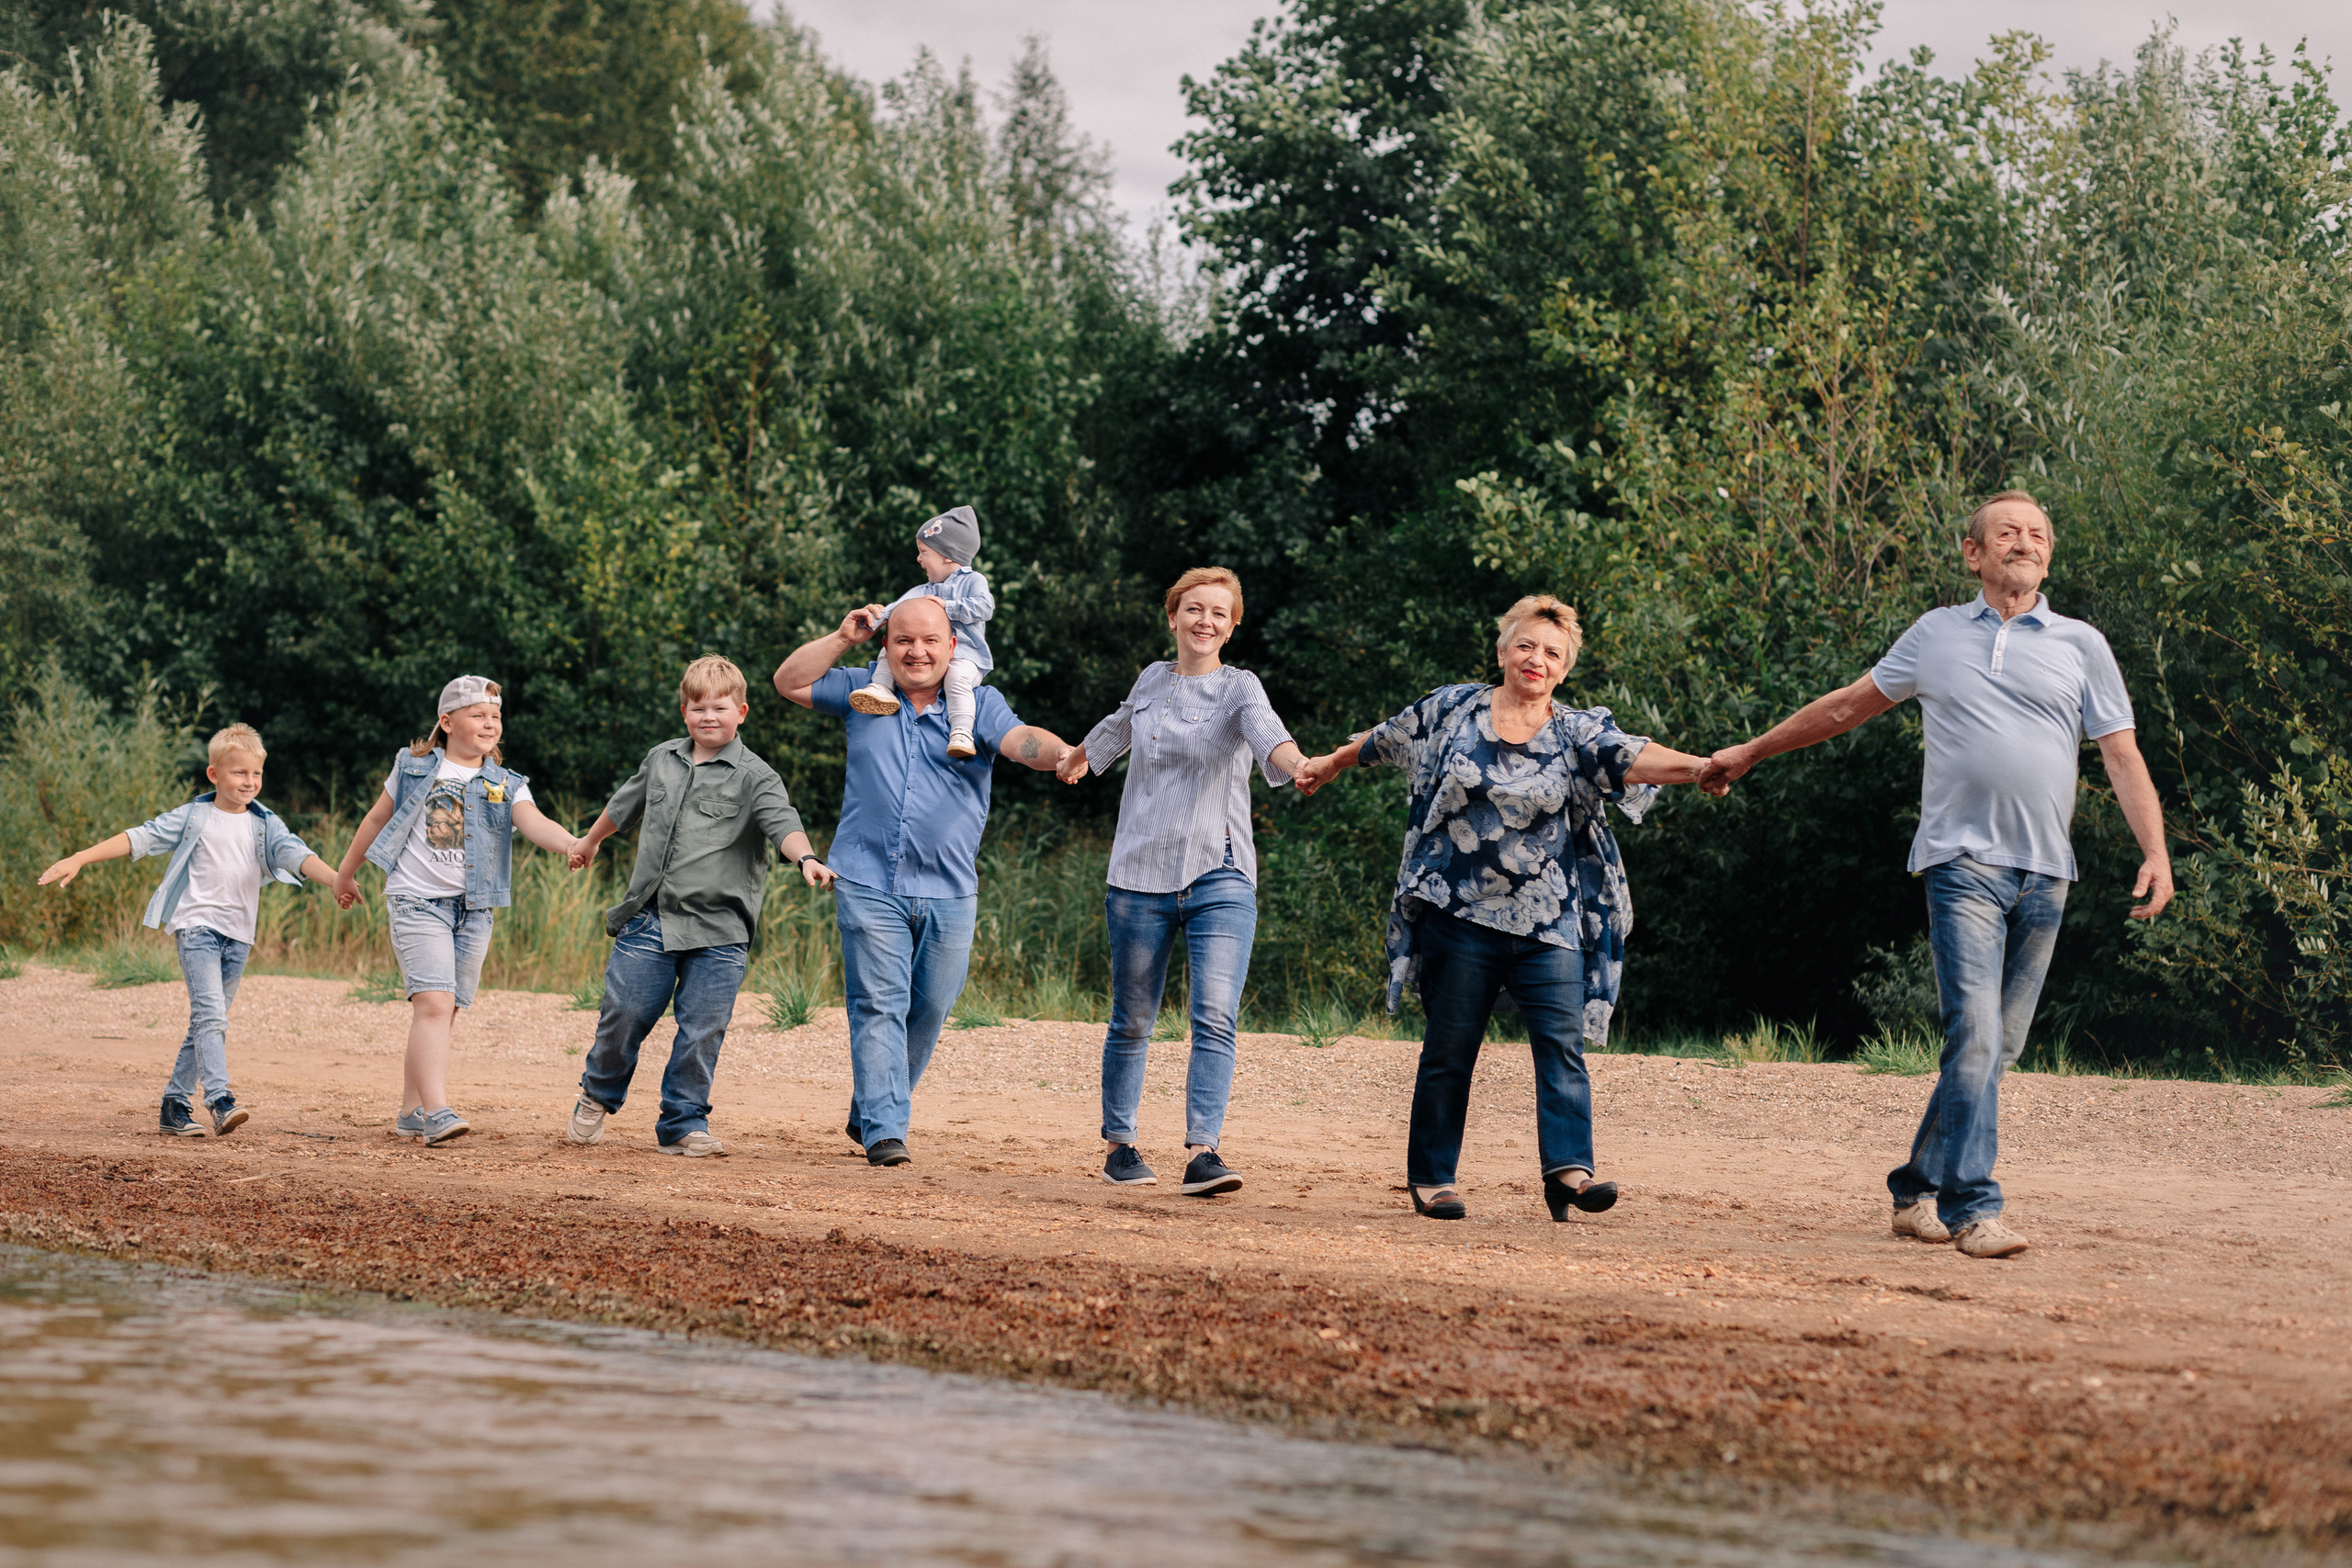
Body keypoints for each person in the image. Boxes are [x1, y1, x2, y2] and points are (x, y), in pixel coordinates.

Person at [1702, 491, 2171, 1260]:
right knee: (1978, 1037)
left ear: (2049, 554)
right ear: (1974, 553)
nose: (2025, 542)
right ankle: (1973, 1207)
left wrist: (2154, 850)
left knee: (1993, 1047)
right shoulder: (1937, 634)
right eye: (2008, 532)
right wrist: (1750, 751)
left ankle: (1914, 1186)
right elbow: (1847, 707)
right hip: (1962, 865)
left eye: (2038, 534)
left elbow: (2120, 753)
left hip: (2048, 873)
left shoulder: (2082, 644)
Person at [1293, 596, 1724, 1223]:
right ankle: (1433, 1177)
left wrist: (1703, 766)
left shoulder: (1576, 730)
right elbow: (1386, 738)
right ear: (1503, 651)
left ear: (1564, 668)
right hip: (1459, 916)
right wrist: (1331, 763)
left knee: (1561, 1046)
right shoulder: (1452, 709)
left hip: (1549, 922)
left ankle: (1569, 1172)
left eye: (1552, 652)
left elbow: (1629, 756)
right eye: (1526, 645)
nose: (1536, 659)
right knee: (1449, 1047)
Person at [774, 595, 1074, 1167]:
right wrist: (843, 638)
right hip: (866, 877)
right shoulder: (865, 692)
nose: (917, 651)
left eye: (930, 641)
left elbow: (1021, 742)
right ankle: (887, 1130)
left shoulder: (979, 705)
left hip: (949, 886)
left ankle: (871, 1109)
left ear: (952, 647)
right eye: (905, 640)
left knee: (931, 1006)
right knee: (878, 1003)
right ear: (887, 646)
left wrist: (1063, 754)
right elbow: (787, 681)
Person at [1057, 567, 1308, 1197]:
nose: (1205, 621)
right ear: (1173, 616)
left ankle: (1203, 1151)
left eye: (1219, 613)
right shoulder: (1151, 678)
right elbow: (1120, 723)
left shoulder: (1239, 688)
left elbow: (1270, 736)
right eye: (1194, 609)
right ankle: (1121, 1145)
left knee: (1215, 1014)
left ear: (1232, 624)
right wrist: (1079, 755)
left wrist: (1302, 765)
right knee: (1133, 1017)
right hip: (1138, 873)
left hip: (1217, 870)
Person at [562, 656, 836, 1157]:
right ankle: (596, 1095)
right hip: (652, 917)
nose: (709, 717)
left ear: (742, 712)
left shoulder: (757, 776)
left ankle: (683, 1123)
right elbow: (623, 806)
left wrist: (807, 858)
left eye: (720, 708)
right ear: (684, 712)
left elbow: (783, 823)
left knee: (702, 1031)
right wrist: (590, 841)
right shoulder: (662, 758)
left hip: (721, 928)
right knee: (623, 1016)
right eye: (697, 708)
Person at [37, 723, 339, 1138]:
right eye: (239, 773)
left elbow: (298, 855)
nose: (249, 782)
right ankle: (220, 1100)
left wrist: (337, 880)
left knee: (207, 1021)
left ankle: (174, 1105)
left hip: (239, 936)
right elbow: (138, 838)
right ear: (215, 774)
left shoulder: (266, 825)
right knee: (211, 1016)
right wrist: (80, 858)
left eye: (256, 774)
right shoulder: (194, 817)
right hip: (197, 928)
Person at [333, 676, 581, 1147]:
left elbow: (533, 822)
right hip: (416, 900)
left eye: (496, 716)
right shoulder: (413, 767)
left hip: (474, 910)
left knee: (443, 1013)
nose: (490, 724)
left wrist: (570, 843)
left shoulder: (505, 783)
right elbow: (376, 818)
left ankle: (410, 1111)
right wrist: (346, 874)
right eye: (477, 715)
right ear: (447, 722)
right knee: (433, 1004)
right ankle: (437, 1112)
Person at [849, 505, 997, 760]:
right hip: (931, 656)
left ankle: (962, 731)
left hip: (966, 656)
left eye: (924, 552)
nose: (919, 559)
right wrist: (874, 620)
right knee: (889, 651)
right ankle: (881, 688)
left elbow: (985, 607)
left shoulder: (974, 581)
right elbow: (898, 607)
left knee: (956, 679)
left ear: (948, 555)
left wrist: (948, 607)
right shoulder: (926, 588)